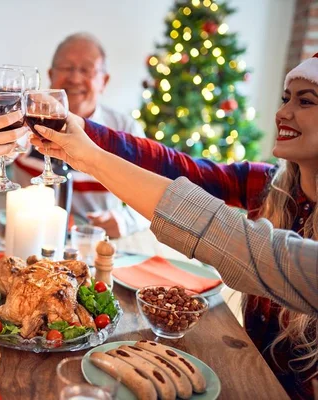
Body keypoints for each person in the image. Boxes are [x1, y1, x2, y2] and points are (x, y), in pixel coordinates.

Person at [30, 53, 318, 399]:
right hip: (250, 377)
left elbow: (251, 250)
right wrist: (86, 132)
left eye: (306, 102)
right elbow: (176, 166)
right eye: (287, 98)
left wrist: (91, 156)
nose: (283, 112)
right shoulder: (267, 185)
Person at [13, 32, 149, 238]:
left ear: (104, 81)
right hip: (29, 237)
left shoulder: (125, 129)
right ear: (50, 75)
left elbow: (153, 197)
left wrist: (124, 221)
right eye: (66, 68)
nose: (75, 78)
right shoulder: (28, 118)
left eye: (86, 70)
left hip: (94, 241)